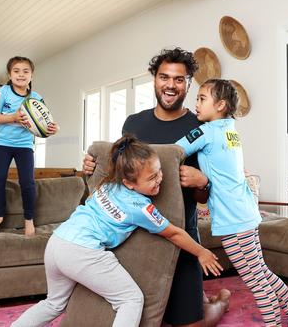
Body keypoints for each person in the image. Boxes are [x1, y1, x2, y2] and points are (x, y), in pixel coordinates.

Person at [83, 48, 230, 327]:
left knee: (191, 324)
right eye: (164, 77)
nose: (170, 85)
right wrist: (91, 166)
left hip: (182, 234)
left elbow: (207, 193)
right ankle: (199, 299)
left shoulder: (199, 125)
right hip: (136, 235)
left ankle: (219, 303)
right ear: (154, 79)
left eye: (179, 79)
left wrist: (203, 181)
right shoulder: (134, 123)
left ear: (188, 84)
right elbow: (119, 174)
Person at [12, 135, 223, 327]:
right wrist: (201, 252)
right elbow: (174, 233)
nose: (159, 179)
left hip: (57, 243)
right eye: (151, 178)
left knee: (53, 304)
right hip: (82, 250)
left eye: (159, 171)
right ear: (129, 183)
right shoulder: (140, 208)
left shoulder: (107, 184)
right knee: (130, 299)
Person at [175, 79, 288, 327]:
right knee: (262, 273)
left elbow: (174, 151)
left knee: (256, 281)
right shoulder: (230, 130)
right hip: (245, 212)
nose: (196, 103)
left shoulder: (206, 131)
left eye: (202, 98)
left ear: (220, 105)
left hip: (233, 219)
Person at [0, 56, 59, 237]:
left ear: (31, 76)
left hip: (25, 145)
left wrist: (54, 128)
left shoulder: (37, 98)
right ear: (10, 75)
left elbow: (45, 124)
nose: (21, 75)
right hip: (3, 143)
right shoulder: (1, 92)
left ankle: (29, 220)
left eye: (26, 71)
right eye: (16, 71)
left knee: (28, 182)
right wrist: (13, 117)